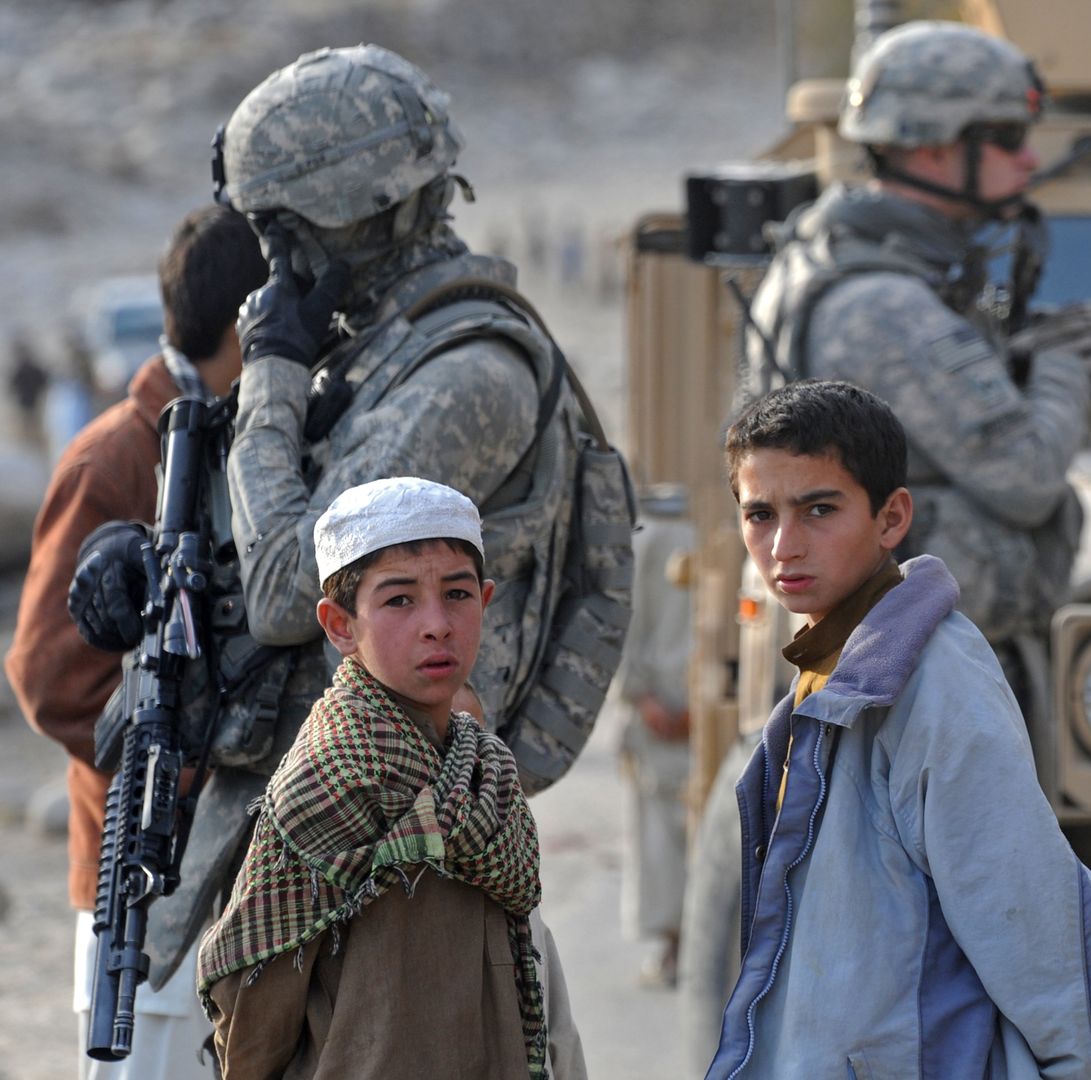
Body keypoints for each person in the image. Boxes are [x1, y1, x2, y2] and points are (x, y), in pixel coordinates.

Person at [65, 43, 628, 1008]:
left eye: (286, 232)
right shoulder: (381, 357)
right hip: (336, 856)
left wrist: (272, 375)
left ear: (360, 218)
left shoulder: (466, 376)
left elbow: (295, 591)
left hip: (407, 868)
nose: (277, 263)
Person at [705, 380, 1091, 1079]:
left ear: (892, 519)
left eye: (818, 509)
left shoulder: (933, 684)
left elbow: (1045, 939)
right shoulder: (829, 671)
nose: (783, 545)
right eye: (760, 514)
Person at [739, 19, 1091, 656]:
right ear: (935, 148)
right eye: (1006, 138)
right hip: (913, 671)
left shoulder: (838, 260)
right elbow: (1026, 478)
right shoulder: (886, 305)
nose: (1028, 159)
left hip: (897, 652)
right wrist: (1064, 364)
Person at [198, 477, 579, 1079]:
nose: (437, 624)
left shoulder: (484, 770)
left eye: (456, 594)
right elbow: (251, 1019)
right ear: (340, 625)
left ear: (485, 601)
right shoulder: (323, 785)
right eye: (399, 600)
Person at [8, 202, 265, 1079]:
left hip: (223, 886)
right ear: (247, 320)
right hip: (143, 888)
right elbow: (47, 678)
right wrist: (187, 763)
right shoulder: (120, 458)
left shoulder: (231, 437)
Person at [617, 489, 695, 987]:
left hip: (690, 705)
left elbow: (620, 623)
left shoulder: (649, 536)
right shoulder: (652, 537)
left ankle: (681, 944)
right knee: (665, 834)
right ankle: (674, 943)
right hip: (671, 711)